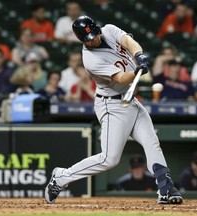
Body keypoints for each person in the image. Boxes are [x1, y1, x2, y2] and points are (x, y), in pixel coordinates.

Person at [44, 15, 183, 205]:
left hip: (130, 101)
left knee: (152, 143)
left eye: (93, 34)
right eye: (88, 38)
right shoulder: (90, 59)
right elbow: (120, 78)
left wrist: (139, 56)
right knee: (109, 159)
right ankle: (61, 177)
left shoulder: (108, 30)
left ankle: (166, 188)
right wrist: (137, 72)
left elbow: (128, 41)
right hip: (112, 106)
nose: (93, 39)